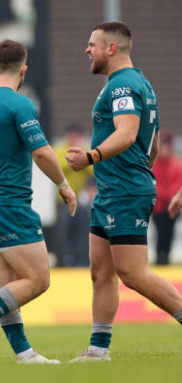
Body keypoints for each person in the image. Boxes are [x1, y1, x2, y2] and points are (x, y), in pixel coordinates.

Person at [66, 22, 182, 362]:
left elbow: (129, 132)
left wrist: (91, 157)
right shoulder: (140, 83)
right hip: (113, 190)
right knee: (100, 273)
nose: (87, 50)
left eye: (92, 44)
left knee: (133, 273)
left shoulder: (123, 86)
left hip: (124, 191)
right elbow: (154, 143)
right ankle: (98, 351)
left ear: (111, 48)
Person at [0, 39, 77, 365]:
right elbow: (41, 151)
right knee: (39, 280)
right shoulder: (18, 105)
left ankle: (24, 354)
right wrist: (63, 185)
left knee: (6, 285)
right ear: (23, 70)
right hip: (10, 204)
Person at [54, 122, 95, 266]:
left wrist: (83, 157)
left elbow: (92, 171)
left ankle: (82, 259)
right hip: (63, 200)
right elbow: (58, 166)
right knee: (64, 231)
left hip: (83, 202)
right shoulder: (60, 150)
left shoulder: (85, 150)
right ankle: (64, 260)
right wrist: (75, 160)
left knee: (82, 231)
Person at [151, 130, 182, 265]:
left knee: (169, 234)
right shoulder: (154, 165)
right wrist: (165, 194)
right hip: (158, 208)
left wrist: (167, 194)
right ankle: (160, 258)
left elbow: (177, 185)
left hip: (172, 206)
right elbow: (153, 184)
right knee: (160, 234)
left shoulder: (176, 165)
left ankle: (165, 257)